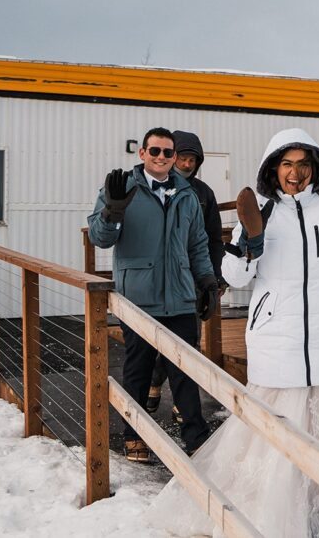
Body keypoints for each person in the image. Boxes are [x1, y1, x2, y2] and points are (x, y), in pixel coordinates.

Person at [151, 128, 319, 537]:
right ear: (273, 168)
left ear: (315, 167)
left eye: (303, 164)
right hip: (275, 335)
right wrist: (249, 244)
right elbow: (233, 276)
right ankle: (272, 518)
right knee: (276, 434)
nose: (295, 173)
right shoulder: (259, 208)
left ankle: (311, 507)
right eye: (286, 164)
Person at [87, 127, 219, 462]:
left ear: (174, 158)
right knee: (139, 370)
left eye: (168, 153)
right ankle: (135, 436)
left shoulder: (187, 194)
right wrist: (112, 211)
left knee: (186, 370)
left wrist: (205, 280)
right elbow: (100, 239)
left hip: (179, 296)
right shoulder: (122, 188)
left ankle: (197, 439)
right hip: (140, 297)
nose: (161, 157)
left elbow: (198, 243)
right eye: (155, 151)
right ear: (142, 153)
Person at [146, 130, 226, 416]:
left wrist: (216, 276)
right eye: (182, 156)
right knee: (158, 338)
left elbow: (214, 238)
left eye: (193, 159)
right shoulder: (154, 187)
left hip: (194, 280)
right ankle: (154, 381)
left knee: (190, 341)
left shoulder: (204, 194)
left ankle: (184, 404)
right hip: (160, 278)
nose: (187, 164)